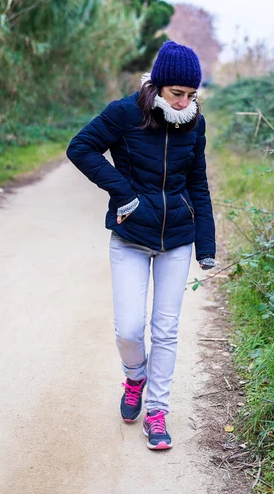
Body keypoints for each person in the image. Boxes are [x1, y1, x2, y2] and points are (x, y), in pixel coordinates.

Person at [66, 40, 216, 450]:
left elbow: (198, 183)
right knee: (130, 329)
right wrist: (123, 192)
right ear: (159, 87)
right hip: (131, 236)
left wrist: (206, 242)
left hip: (178, 240)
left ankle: (157, 412)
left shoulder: (194, 122)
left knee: (165, 330)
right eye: (177, 94)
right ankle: (135, 377)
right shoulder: (125, 113)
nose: (185, 103)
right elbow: (80, 148)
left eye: (191, 95)